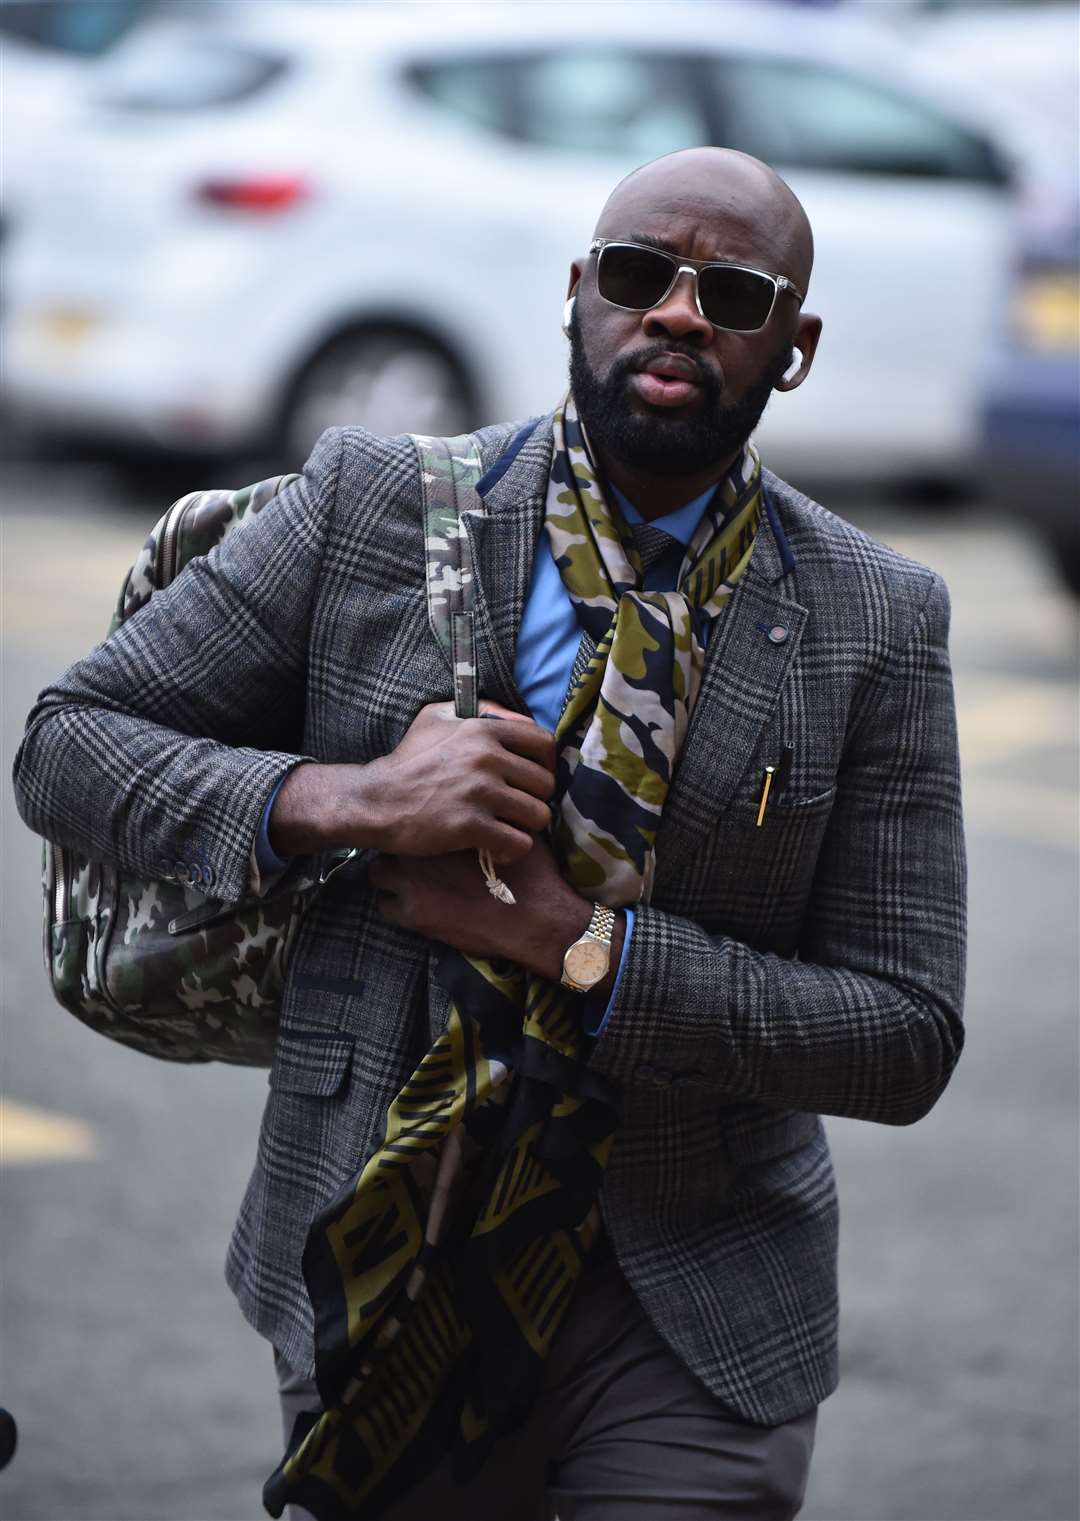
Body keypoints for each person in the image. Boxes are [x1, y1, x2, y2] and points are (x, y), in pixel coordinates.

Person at [12, 147, 966, 1521]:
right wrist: (340, 799)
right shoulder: (371, 505)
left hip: (692, 1299)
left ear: (793, 347)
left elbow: (904, 1026)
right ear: (579, 292)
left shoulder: (877, 617)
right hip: (384, 1254)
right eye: (641, 275)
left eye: (735, 293)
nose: (680, 313)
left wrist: (584, 950)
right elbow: (70, 742)